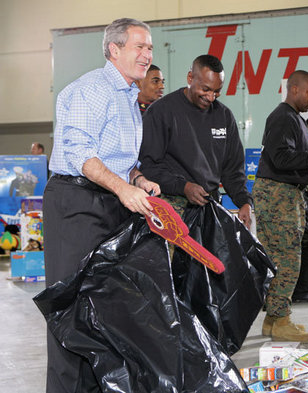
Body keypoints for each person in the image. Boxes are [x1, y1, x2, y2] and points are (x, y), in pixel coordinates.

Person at [44, 18, 160, 393]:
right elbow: (80, 151)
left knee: (106, 308)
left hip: (110, 202)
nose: (148, 55)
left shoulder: (129, 96)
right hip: (76, 204)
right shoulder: (91, 90)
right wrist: (122, 188)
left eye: (150, 48)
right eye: (139, 47)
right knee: (70, 309)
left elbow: (119, 159)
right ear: (114, 49)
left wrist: (137, 181)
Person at [253, 70, 308, 343]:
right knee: (288, 259)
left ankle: (273, 319)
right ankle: (281, 320)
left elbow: (294, 158)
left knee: (280, 258)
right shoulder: (283, 117)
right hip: (278, 194)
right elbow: (280, 158)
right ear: (294, 89)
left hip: (282, 193)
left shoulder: (293, 119)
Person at [139, 54, 252, 227]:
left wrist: (244, 201)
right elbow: (149, 166)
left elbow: (232, 169)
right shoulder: (162, 112)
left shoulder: (224, 116)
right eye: (205, 89)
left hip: (209, 209)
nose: (211, 97)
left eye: (216, 91)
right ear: (190, 78)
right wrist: (183, 187)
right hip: (172, 209)